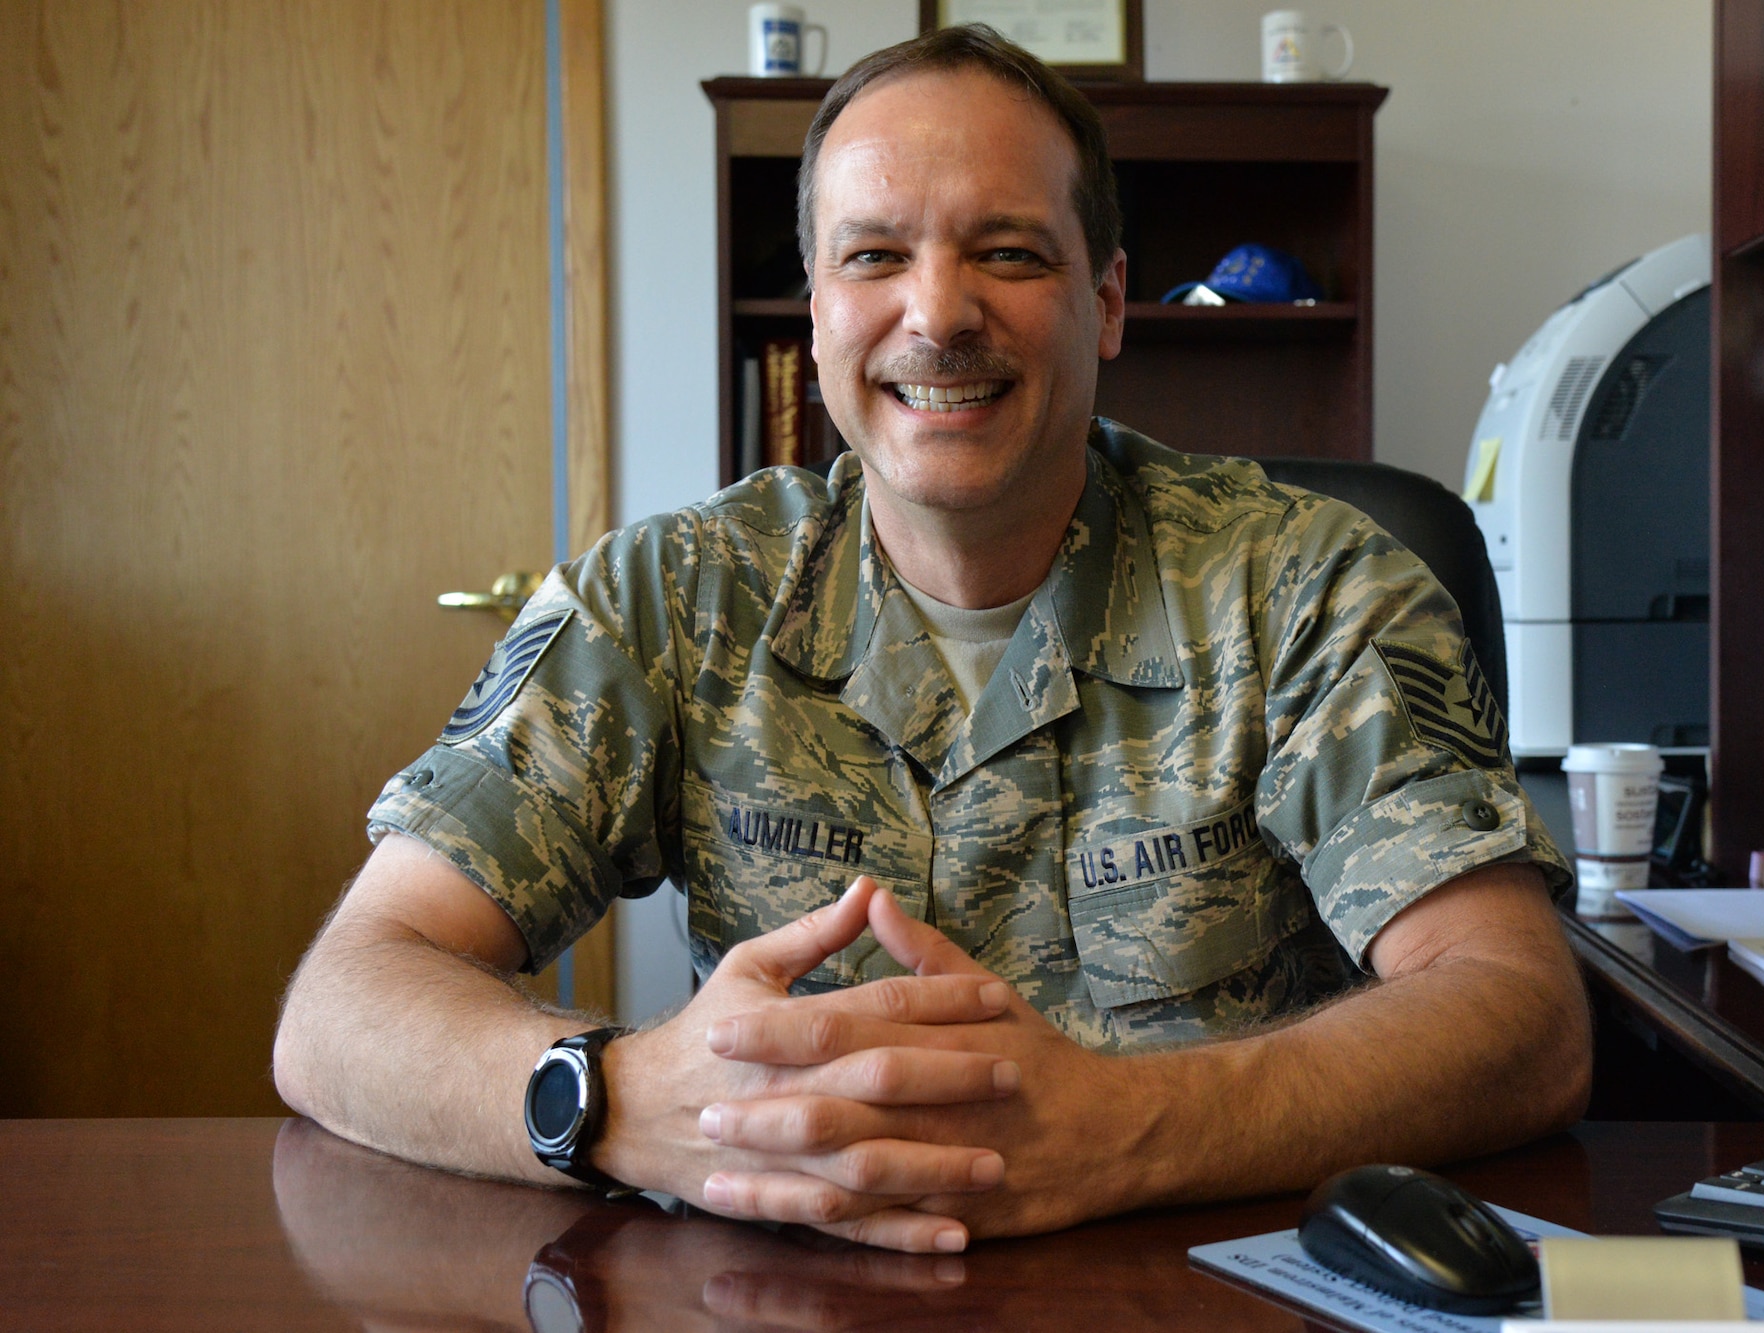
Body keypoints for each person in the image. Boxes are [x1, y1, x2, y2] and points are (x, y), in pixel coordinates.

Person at [274, 25, 1589, 1257]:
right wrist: (614, 1096)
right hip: (783, 1292)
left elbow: (1521, 1016)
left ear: (1110, 301)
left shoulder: (1312, 590)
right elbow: (344, 1005)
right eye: (875, 256)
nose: (940, 311)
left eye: (1008, 251)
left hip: (1195, 1286)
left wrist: (1135, 1128)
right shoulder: (672, 597)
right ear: (816, 309)